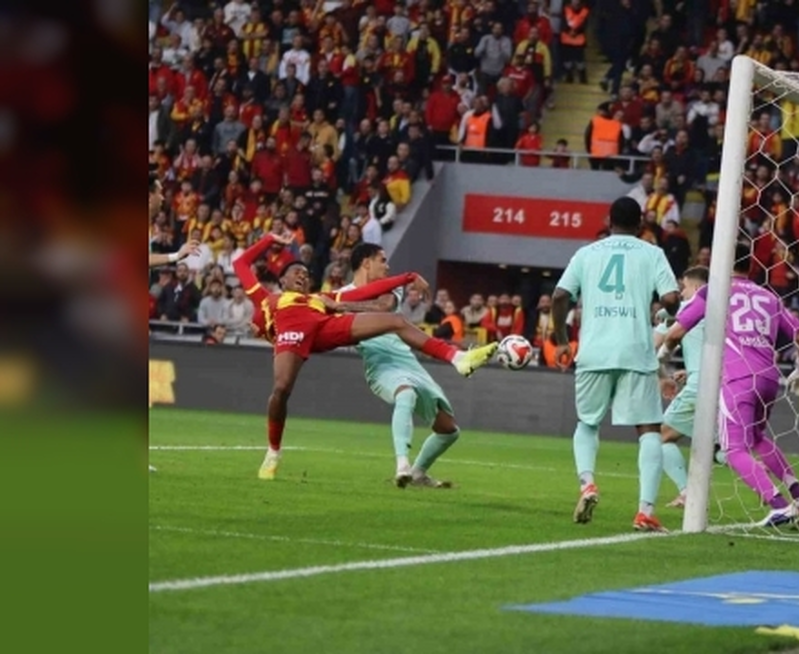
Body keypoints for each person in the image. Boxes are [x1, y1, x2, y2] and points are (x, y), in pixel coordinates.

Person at [231, 233, 499, 480]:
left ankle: (458, 358)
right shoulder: (266, 299)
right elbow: (240, 264)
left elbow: (365, 293)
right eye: (295, 272)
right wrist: (269, 239)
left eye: (305, 273)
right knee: (281, 389)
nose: (302, 276)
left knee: (395, 320)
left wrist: (409, 277)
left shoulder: (322, 298)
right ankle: (273, 451)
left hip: (324, 328)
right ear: (282, 281)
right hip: (292, 333)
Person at [661, 246, 799, 527]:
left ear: (721, 262)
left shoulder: (714, 292)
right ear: (751, 266)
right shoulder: (770, 297)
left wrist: (663, 356)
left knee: (733, 449)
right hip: (769, 378)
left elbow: (676, 332)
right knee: (756, 438)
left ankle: (778, 505)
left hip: (738, 378)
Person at [551, 196, 681, 531]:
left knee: (587, 423)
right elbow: (671, 297)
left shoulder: (586, 253)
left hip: (594, 350)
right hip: (635, 350)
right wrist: (669, 312)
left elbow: (559, 296)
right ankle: (645, 511)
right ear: (641, 224)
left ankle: (587, 484)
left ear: (609, 222)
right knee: (649, 429)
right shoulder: (652, 253)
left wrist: (562, 340)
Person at [342, 243, 462, 488]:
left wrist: (339, 306)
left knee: (449, 430)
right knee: (405, 394)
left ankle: (418, 473)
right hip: (380, 364)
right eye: (382, 260)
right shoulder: (342, 293)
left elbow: (383, 307)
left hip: (407, 360)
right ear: (366, 263)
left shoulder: (388, 290)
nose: (387, 266)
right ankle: (402, 466)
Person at [648, 266, 710, 508]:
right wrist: (690, 368)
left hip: (701, 386)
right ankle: (766, 480)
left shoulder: (682, 311)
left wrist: (662, 374)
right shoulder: (722, 312)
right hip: (726, 383)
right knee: (717, 445)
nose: (681, 293)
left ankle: (687, 493)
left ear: (697, 287)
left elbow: (651, 347)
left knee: (661, 436)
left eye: (684, 287)